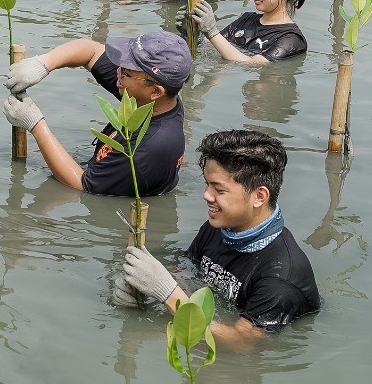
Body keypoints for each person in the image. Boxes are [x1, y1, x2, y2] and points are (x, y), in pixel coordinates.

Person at [114, 129, 321, 347]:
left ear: (259, 196)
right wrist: (142, 284)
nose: (206, 195)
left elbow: (241, 343)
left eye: (219, 190)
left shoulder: (281, 278)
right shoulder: (219, 226)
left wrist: (168, 294)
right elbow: (188, 270)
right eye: (207, 184)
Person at [2, 30, 191, 197]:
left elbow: (83, 186)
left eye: (126, 72)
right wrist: (43, 64)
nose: (118, 73)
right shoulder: (146, 95)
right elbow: (91, 52)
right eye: (121, 66)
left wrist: (35, 124)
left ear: (156, 91)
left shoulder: (153, 147)